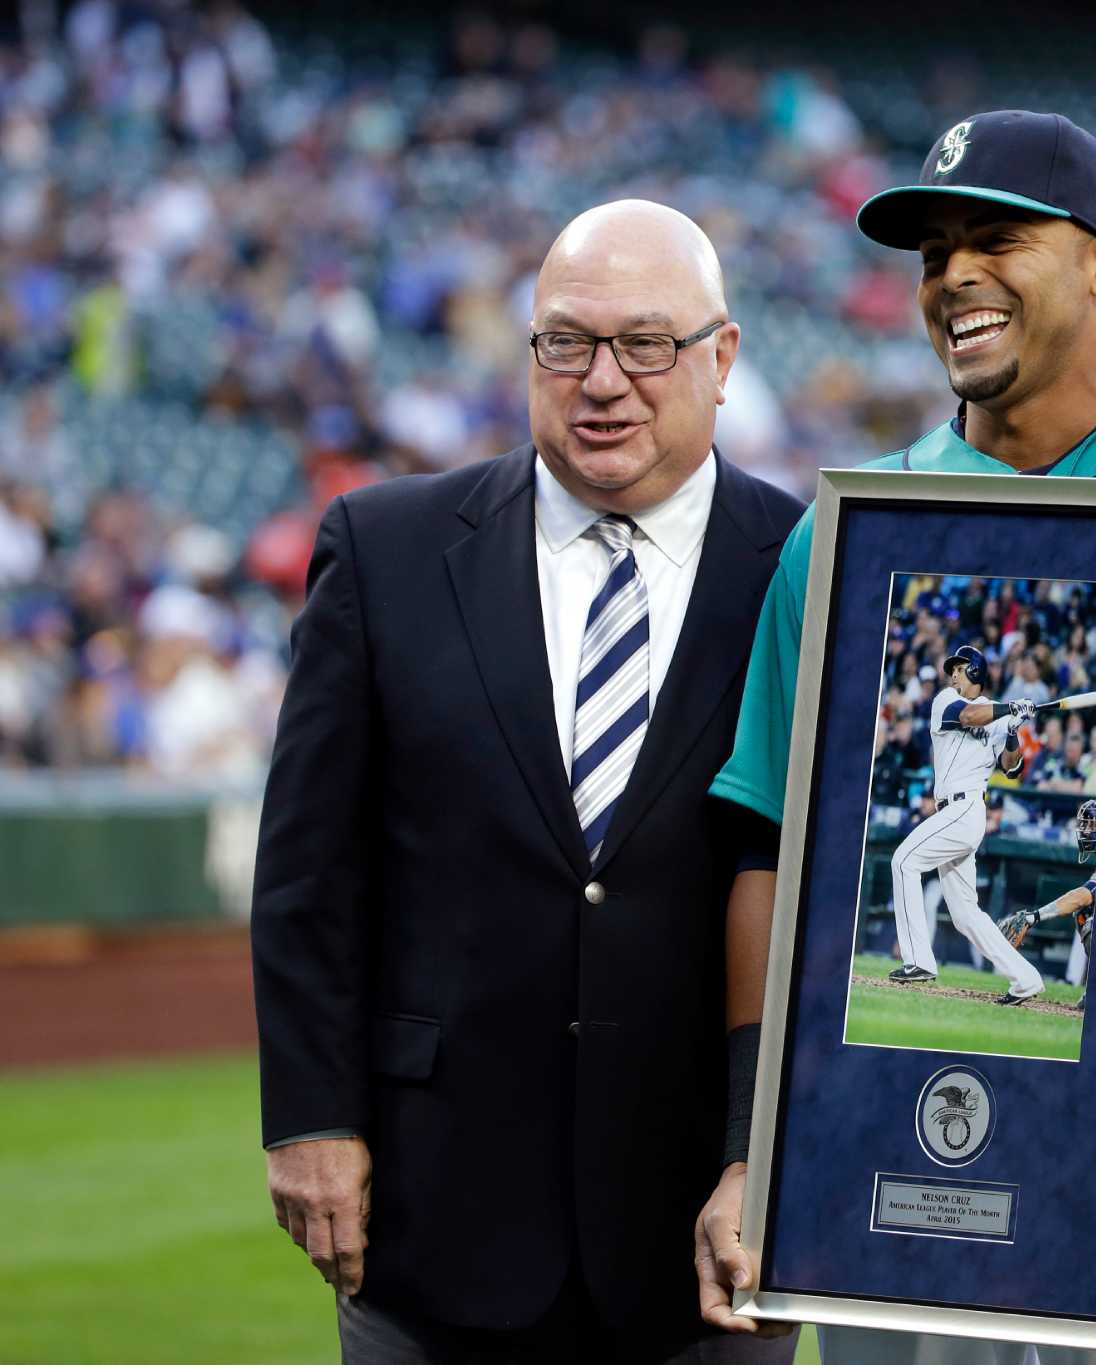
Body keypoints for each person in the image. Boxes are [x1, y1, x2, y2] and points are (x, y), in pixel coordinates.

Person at [694, 110, 1096, 1365]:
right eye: (932, 250)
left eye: (994, 237)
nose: (952, 276)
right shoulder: (855, 528)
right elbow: (770, 851)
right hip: (871, 1073)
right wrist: (750, 1143)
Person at [252, 200, 804, 1364]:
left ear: (723, 357)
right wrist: (310, 1116)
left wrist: (772, 1150)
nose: (603, 381)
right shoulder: (383, 547)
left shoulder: (811, 566)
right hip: (428, 1222)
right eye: (567, 341)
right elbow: (310, 870)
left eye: (646, 344)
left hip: (706, 1240)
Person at [885, 643, 1043, 1002]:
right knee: (965, 915)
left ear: (975, 672)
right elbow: (971, 716)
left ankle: (918, 961)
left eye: (959, 669)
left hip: (966, 810)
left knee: (903, 862)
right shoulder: (945, 701)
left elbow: (1013, 768)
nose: (953, 675)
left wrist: (1015, 729)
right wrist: (1008, 709)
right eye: (953, 670)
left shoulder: (1001, 718)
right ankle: (1026, 978)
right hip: (952, 813)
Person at [999, 796, 1096, 1010]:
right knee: (1085, 914)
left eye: (1093, 826)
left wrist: (1033, 917)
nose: (1086, 832)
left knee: (1091, 919)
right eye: (1085, 826)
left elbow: (1081, 896)